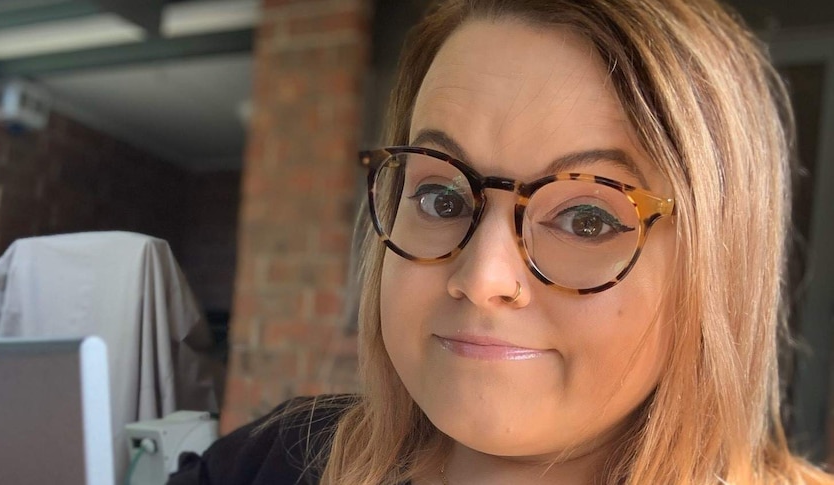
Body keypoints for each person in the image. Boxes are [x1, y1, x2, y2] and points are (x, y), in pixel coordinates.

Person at [169, 0, 834, 483]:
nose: (482, 275)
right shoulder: (273, 461)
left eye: (586, 219)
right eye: (442, 198)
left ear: (715, 265)